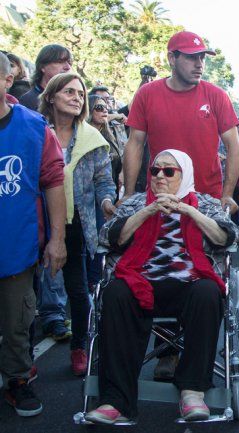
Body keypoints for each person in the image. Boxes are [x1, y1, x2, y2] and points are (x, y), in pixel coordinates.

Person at [84, 150, 239, 424]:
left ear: (184, 175)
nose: (159, 176)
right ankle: (115, 400)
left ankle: (192, 391)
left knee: (209, 292)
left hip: (189, 284)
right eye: (155, 170)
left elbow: (227, 237)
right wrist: (149, 210)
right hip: (141, 282)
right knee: (115, 293)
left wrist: (188, 211)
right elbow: (109, 237)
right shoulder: (134, 203)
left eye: (169, 171)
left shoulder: (204, 203)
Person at [0, 52, 66, 418]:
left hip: (15, 247)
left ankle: (17, 380)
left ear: (8, 81)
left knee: (16, 323)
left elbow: (54, 182)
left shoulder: (34, 127)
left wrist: (57, 239)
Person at [37, 72, 117, 376]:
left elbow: (104, 183)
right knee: (25, 288)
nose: (76, 98)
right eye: (69, 92)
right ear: (51, 96)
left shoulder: (93, 139)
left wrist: (108, 202)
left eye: (80, 94)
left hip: (75, 225)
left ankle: (80, 346)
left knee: (78, 289)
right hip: (33, 222)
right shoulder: (35, 129)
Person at [122, 31, 239, 212]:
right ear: (172, 58)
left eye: (202, 58)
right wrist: (128, 194)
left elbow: (234, 147)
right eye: (192, 57)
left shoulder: (217, 96)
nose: (199, 64)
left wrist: (227, 194)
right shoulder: (146, 94)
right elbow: (135, 144)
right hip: (161, 198)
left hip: (207, 199)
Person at [19, 44, 72, 111]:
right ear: (42, 67)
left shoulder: (71, 99)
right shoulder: (28, 101)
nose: (67, 67)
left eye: (70, 63)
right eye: (60, 62)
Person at [88, 94, 122, 193]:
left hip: (111, 193)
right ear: (89, 110)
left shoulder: (109, 136)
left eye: (106, 107)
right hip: (91, 196)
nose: (105, 110)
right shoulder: (82, 138)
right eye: (99, 107)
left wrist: (122, 174)